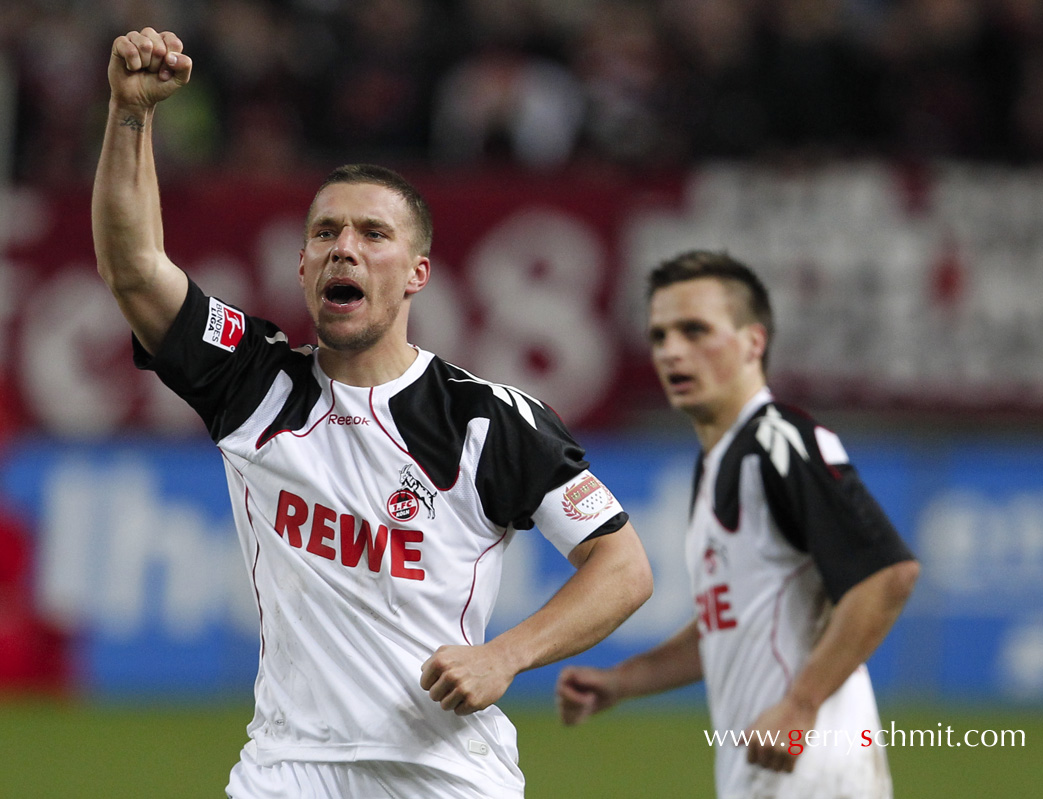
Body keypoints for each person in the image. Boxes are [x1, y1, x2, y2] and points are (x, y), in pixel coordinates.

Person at [91, 28, 653, 799]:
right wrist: (130, 114)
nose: (343, 249)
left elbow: (622, 566)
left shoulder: (487, 420)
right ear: (301, 265)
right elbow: (132, 270)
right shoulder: (252, 383)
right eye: (325, 233)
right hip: (288, 769)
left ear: (418, 271)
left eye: (372, 234)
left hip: (446, 772)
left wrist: (506, 655)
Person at [555, 251, 920, 799]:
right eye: (659, 336)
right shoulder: (720, 462)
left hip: (816, 774)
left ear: (754, 342)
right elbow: (726, 626)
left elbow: (887, 574)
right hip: (766, 777)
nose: (672, 350)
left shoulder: (780, 440)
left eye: (695, 330)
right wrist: (620, 682)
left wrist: (801, 704)